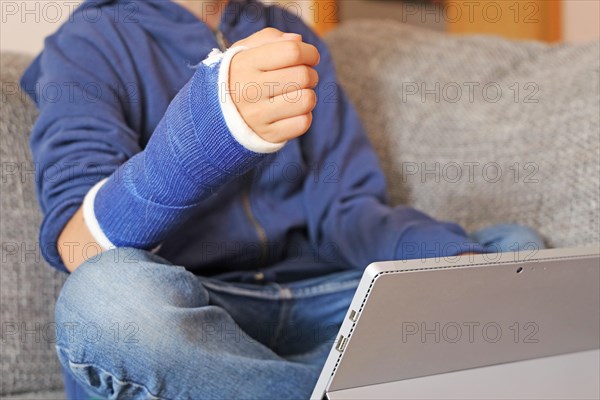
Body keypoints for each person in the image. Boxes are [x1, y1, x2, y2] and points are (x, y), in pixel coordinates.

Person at [20, 0, 544, 398]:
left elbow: (347, 208)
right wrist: (208, 135)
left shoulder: (293, 33)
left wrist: (447, 260)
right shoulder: (89, 41)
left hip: (316, 300)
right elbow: (78, 246)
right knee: (107, 302)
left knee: (513, 251)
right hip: (194, 307)